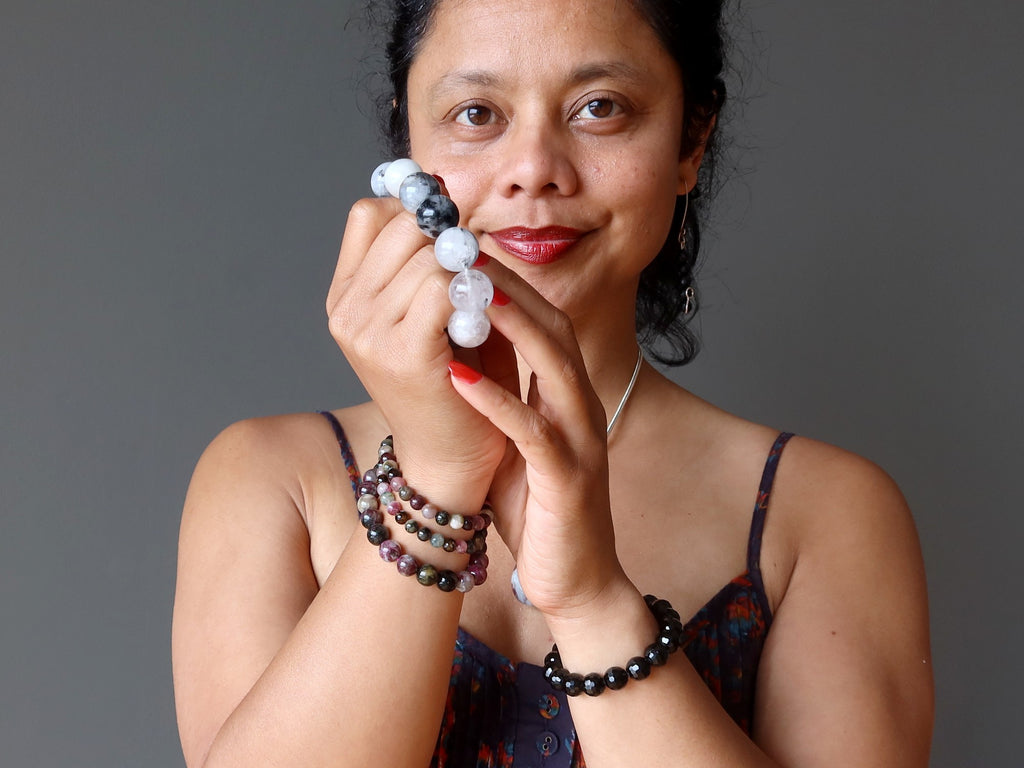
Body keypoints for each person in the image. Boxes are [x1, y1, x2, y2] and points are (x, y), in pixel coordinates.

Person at [171, 0, 934, 765]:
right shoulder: (270, 480)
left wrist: (594, 599)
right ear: (411, 137)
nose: (534, 166)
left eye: (600, 108)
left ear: (691, 138)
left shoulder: (823, 510)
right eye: (476, 112)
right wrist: (437, 481)